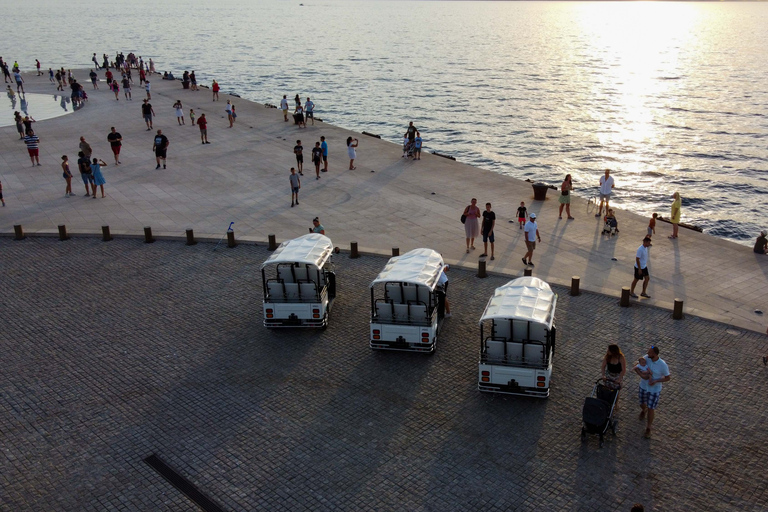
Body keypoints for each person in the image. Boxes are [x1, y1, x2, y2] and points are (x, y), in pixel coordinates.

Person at [635, 345, 671, 439]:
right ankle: (644, 409)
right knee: (642, 403)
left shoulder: (662, 365)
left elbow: (667, 378)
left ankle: (648, 427)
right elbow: (637, 365)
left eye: (649, 352)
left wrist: (656, 381)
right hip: (643, 386)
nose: (647, 353)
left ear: (654, 354)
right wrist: (641, 375)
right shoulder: (646, 358)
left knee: (651, 408)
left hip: (654, 390)